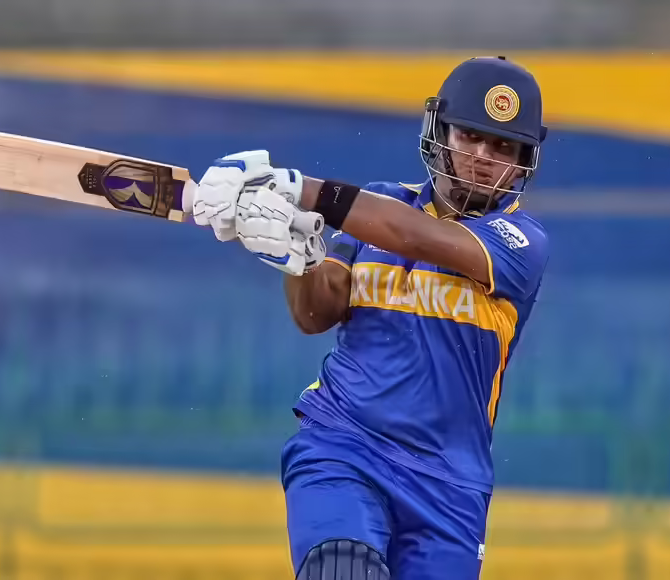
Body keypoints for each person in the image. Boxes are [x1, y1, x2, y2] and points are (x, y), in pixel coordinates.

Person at [192, 56, 550, 580]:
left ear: (523, 161)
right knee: (343, 570)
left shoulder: (522, 243)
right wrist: (299, 255)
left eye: (502, 147)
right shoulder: (378, 203)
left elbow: (414, 235)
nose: (482, 157)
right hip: (344, 446)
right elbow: (316, 313)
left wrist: (299, 188)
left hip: (449, 484)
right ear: (440, 132)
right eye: (470, 136)